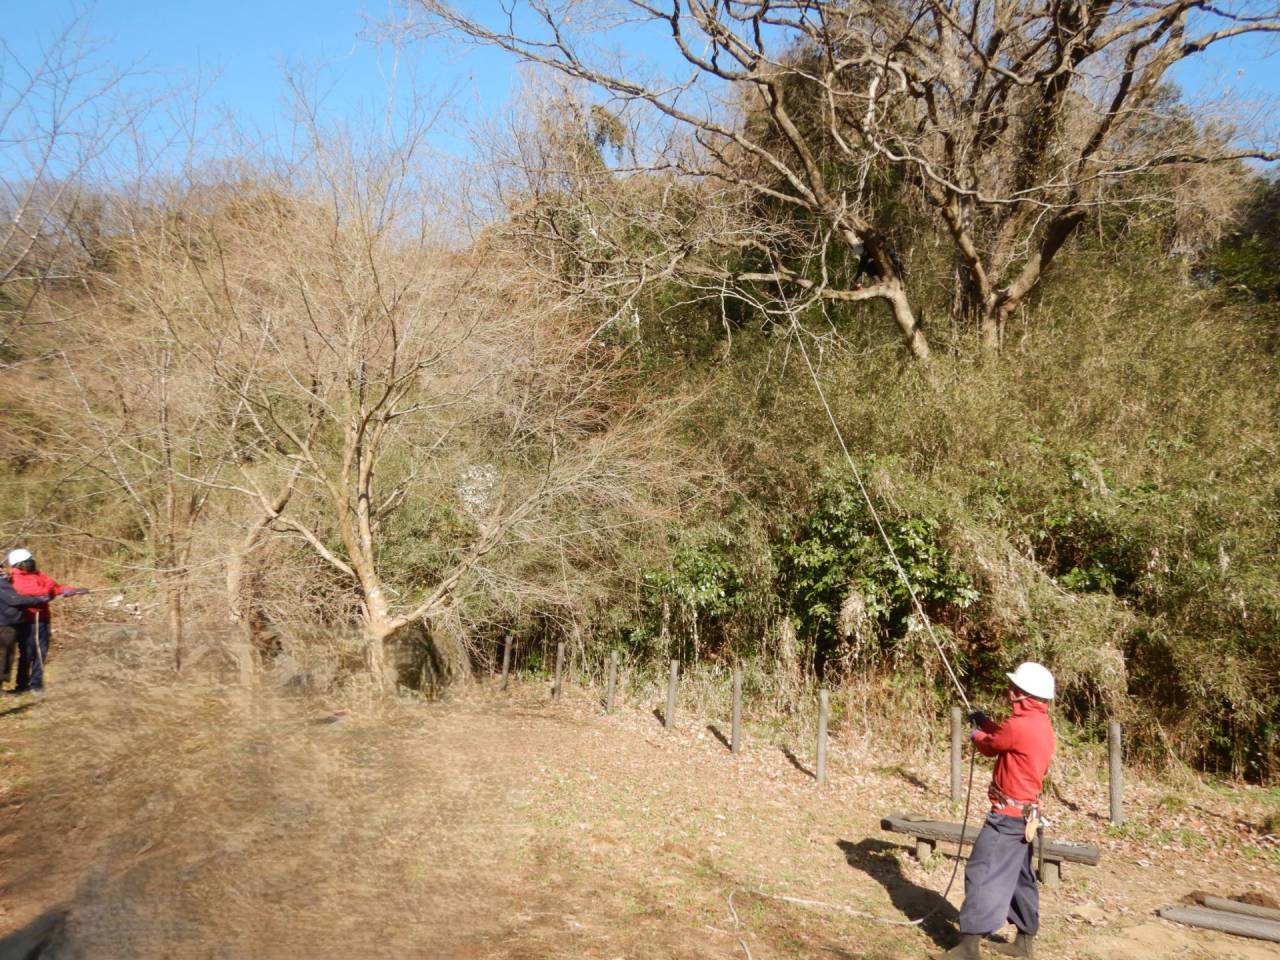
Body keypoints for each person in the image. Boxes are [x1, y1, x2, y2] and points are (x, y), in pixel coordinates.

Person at [933, 662, 1057, 960]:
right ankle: (1025, 940)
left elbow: (990, 746)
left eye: (1014, 689)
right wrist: (985, 722)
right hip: (1024, 817)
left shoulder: (1019, 725)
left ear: (1024, 695)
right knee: (1018, 877)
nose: (1009, 693)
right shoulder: (1040, 724)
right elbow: (1003, 738)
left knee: (982, 871)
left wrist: (976, 733)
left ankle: (969, 946)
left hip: (1006, 819)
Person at [7, 548, 88, 693]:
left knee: (40, 651)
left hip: (43, 619)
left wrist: (72, 590)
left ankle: (36, 683)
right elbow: (32, 593)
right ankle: (23, 685)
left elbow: (54, 588)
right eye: (27, 562)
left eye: (32, 561)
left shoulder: (40, 575)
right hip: (28, 620)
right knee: (28, 652)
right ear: (18, 564)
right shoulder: (14, 578)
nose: (31, 564)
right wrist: (49, 594)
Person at [1, 567, 50, 693]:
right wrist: (38, 600)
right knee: (3, 658)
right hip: (4, 625)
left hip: (11, 624)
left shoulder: (6, 581)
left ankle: (22, 685)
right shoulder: (2, 584)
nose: (2, 569)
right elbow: (15, 600)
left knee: (7, 657)